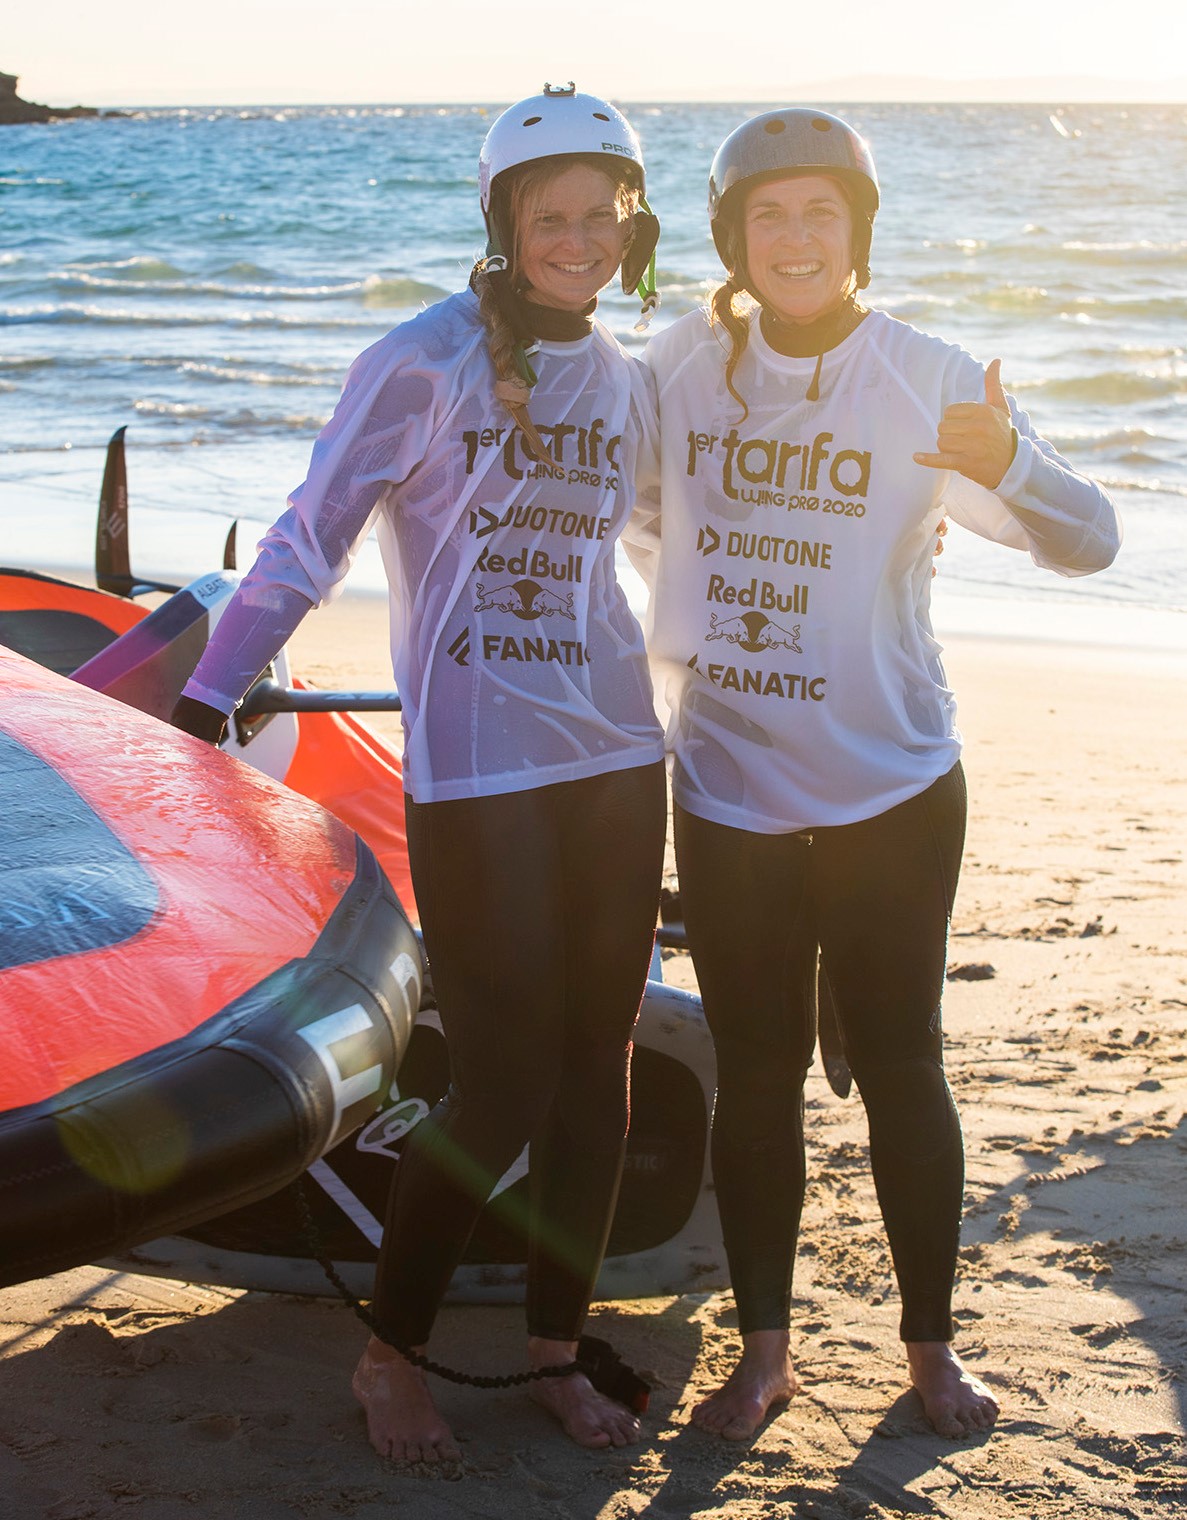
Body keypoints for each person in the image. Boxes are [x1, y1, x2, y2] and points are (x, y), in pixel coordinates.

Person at [171, 85, 668, 1459]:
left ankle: (559, 1351)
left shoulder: (627, 377)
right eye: (548, 214)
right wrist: (211, 691)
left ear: (633, 227)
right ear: (505, 224)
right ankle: (391, 1353)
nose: (576, 237)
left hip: (621, 752)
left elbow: (672, 557)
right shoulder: (425, 358)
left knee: (602, 1071)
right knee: (502, 1081)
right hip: (481, 762)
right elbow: (310, 531)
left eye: (600, 214)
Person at [631, 107, 1121, 1442]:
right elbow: (608, 500)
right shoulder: (676, 366)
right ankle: (765, 1353)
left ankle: (929, 1351)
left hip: (893, 790)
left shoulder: (921, 375)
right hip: (728, 788)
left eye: (822, 214)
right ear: (733, 235)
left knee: (904, 1063)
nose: (795, 239)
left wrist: (1006, 460)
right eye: (768, 216)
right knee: (758, 1067)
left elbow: (1093, 542)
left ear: (859, 229)